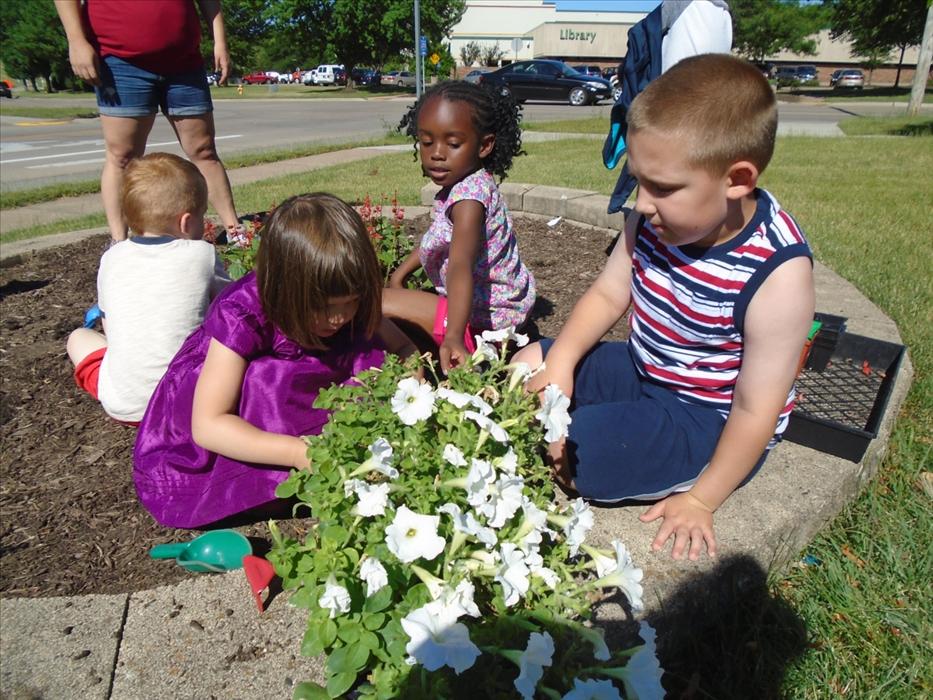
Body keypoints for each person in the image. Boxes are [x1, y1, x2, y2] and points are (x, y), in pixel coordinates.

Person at [515, 55, 815, 561]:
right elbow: (611, 294)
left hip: (708, 416)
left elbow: (755, 409)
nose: (643, 203)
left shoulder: (778, 275)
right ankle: (582, 413)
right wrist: (561, 363)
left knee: (578, 455)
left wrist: (702, 498)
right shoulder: (654, 220)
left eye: (662, 187)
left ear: (736, 179)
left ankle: (605, 438)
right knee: (528, 363)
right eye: (638, 181)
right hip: (643, 368)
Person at [133, 193, 417, 529]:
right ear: (283, 290)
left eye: (351, 302)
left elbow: (404, 350)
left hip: (312, 403)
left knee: (367, 353)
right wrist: (300, 453)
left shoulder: (344, 299)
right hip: (239, 420)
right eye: (325, 307)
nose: (340, 317)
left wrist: (416, 397)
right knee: (268, 380)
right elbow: (208, 425)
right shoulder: (243, 313)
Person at [54, 0, 243, 243]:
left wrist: (220, 41)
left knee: (204, 150)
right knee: (122, 156)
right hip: (120, 61)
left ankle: (236, 234)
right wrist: (76, 41)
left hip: (184, 60)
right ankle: (119, 245)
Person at [383, 81, 536, 373]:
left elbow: (460, 266)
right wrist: (401, 273)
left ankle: (436, 364)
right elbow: (438, 239)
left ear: (484, 145)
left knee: (375, 306)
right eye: (427, 142)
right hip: (491, 308)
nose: (437, 153)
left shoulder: (469, 201)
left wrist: (454, 335)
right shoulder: (467, 182)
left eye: (452, 144)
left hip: (487, 323)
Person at [66, 152, 230, 425]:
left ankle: (128, 386)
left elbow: (110, 328)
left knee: (78, 337)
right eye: (203, 217)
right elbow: (230, 306)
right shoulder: (201, 254)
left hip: (124, 406)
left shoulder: (111, 257)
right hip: (190, 401)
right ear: (186, 222)